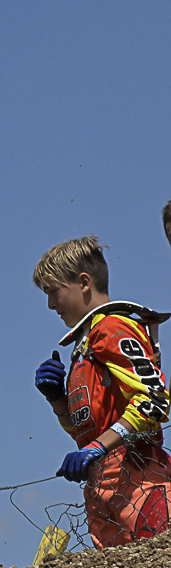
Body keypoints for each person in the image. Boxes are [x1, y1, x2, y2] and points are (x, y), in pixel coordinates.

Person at [33, 235, 171, 548]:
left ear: (84, 282)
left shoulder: (112, 327)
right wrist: (57, 399)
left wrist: (98, 446)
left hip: (140, 481)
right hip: (101, 488)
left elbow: (154, 400)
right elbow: (86, 431)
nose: (50, 305)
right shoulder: (83, 345)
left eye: (53, 292)